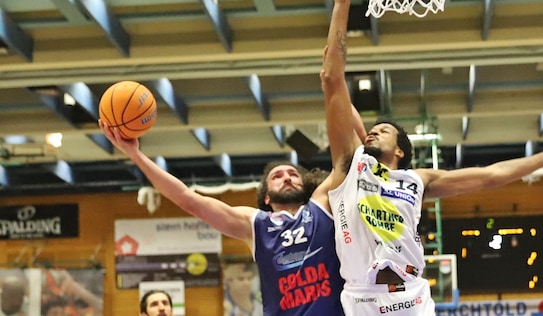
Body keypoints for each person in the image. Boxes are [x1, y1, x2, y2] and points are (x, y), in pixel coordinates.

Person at [320, 0, 543, 315]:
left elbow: (494, 175)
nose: (373, 131)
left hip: (412, 298)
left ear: (401, 150)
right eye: (371, 129)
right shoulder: (350, 163)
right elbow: (331, 78)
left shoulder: (417, 180)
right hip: (361, 299)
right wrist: (342, 3)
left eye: (384, 130)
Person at [99, 116, 365, 315]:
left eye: (293, 174)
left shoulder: (321, 206)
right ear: (267, 197)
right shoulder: (255, 223)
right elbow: (187, 199)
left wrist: (336, 83)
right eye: (277, 176)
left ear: (305, 185)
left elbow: (353, 157)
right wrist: (135, 154)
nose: (286, 177)